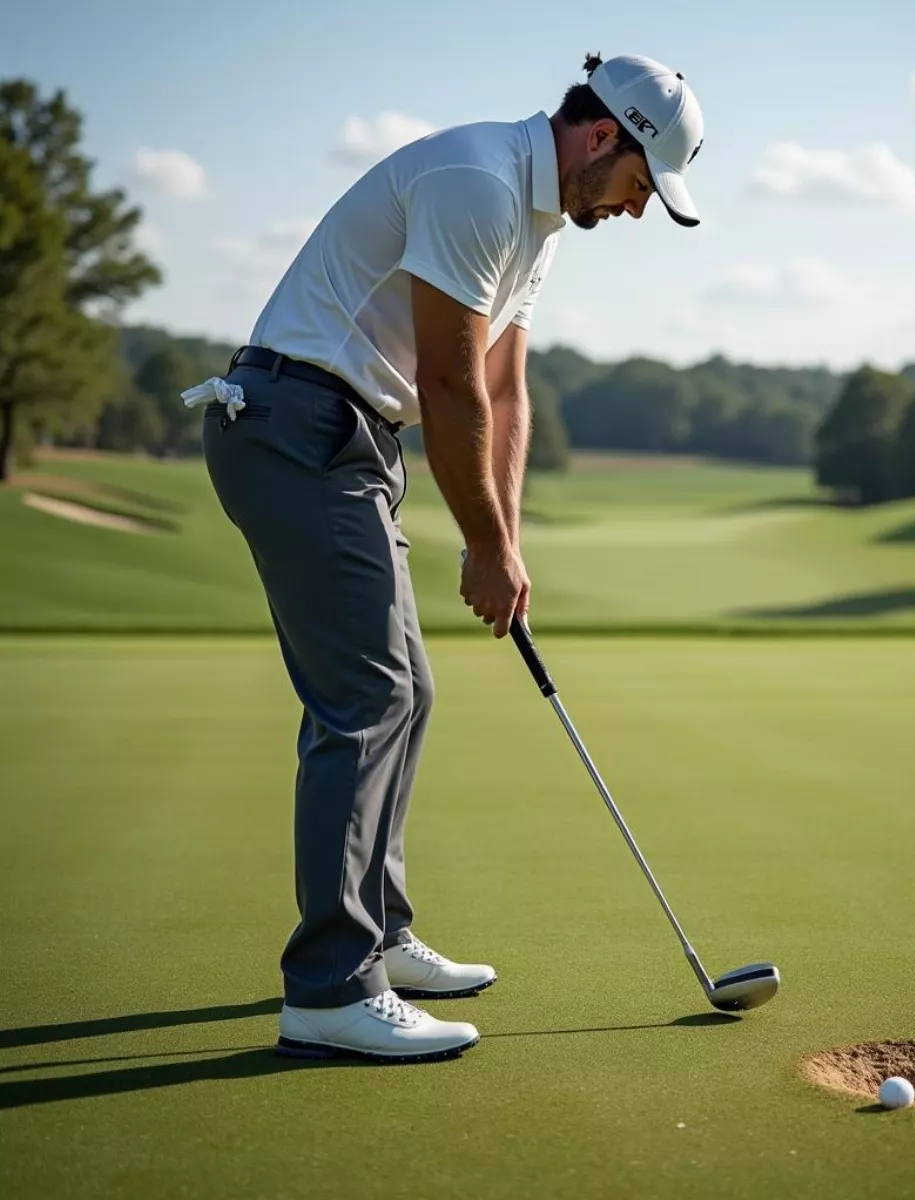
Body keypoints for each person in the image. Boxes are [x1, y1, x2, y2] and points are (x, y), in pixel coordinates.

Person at [183, 52, 706, 1063]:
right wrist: (482, 544)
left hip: (349, 438)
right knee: (367, 698)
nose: (638, 211)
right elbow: (450, 381)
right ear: (604, 138)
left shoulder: (539, 223)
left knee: (405, 690)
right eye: (642, 185)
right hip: (295, 423)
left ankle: (379, 932)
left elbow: (509, 398)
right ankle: (332, 987)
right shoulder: (476, 181)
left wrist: (504, 542)